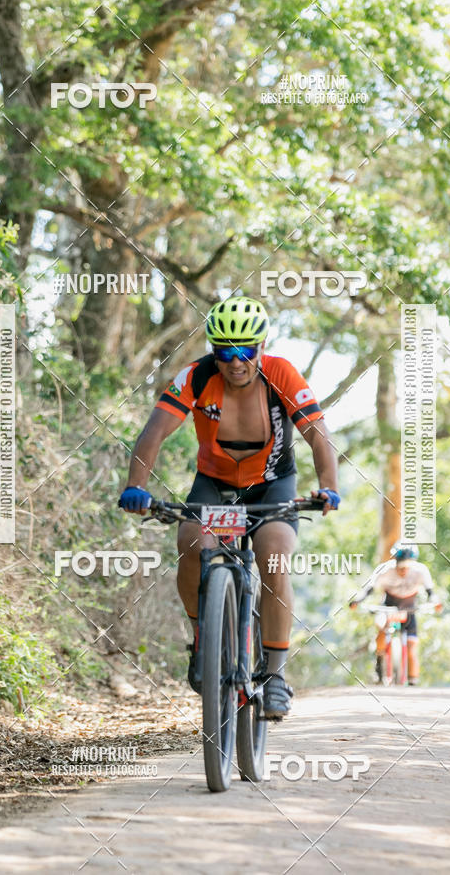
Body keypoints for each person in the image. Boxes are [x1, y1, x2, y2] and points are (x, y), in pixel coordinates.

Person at [119, 296, 339, 717]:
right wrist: (136, 486)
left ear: (261, 347)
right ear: (212, 350)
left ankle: (275, 676)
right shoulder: (198, 376)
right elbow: (153, 433)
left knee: (273, 556)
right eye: (224, 351)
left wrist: (328, 487)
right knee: (190, 539)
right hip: (215, 484)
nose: (235, 361)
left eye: (245, 351)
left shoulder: (282, 374)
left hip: (272, 485)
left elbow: (318, 435)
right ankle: (204, 635)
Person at [349, 543, 442, 685]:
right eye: (400, 566)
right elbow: (369, 589)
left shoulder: (421, 571)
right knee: (381, 627)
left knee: (412, 646)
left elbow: (431, 593)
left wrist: (436, 603)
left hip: (409, 609)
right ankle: (379, 661)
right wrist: (357, 600)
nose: (403, 570)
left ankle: (413, 681)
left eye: (406, 566)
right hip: (388, 607)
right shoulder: (384, 570)